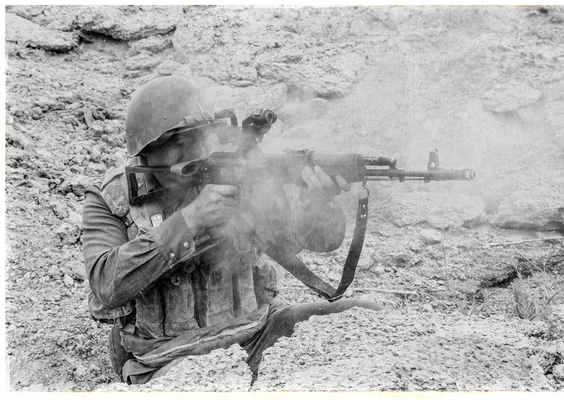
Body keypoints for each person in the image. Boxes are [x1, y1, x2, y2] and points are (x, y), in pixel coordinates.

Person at [82, 75, 384, 385]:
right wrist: (189, 220)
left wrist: (319, 202)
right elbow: (106, 284)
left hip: (257, 332)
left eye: (198, 139)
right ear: (144, 150)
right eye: (175, 144)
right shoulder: (111, 199)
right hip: (166, 358)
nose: (191, 153)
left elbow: (321, 240)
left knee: (365, 314)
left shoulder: (232, 173)